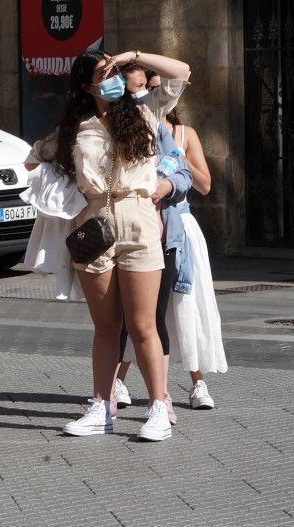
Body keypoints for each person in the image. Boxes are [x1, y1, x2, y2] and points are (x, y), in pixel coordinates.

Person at [26, 48, 190, 442]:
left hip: (139, 221)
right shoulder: (75, 128)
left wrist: (134, 55)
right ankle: (101, 406)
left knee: (142, 325)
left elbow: (180, 71)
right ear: (88, 85)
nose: (115, 76)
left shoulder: (144, 111)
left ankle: (157, 408)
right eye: (105, 72)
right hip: (94, 224)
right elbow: (34, 160)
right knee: (105, 326)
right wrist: (63, 190)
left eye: (117, 70)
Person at [111, 66, 194, 425]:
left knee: (151, 320)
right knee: (115, 322)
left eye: (146, 88)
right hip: (114, 235)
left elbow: (185, 174)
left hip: (160, 235)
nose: (141, 96)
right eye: (134, 89)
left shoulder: (156, 125)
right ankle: (108, 391)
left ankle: (160, 398)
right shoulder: (99, 125)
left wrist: (166, 185)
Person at [161, 98, 226, 409]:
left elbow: (205, 185)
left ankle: (198, 382)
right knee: (141, 307)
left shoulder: (185, 133)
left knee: (188, 303)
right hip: (147, 225)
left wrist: (178, 159)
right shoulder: (133, 132)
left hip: (182, 225)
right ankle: (118, 381)